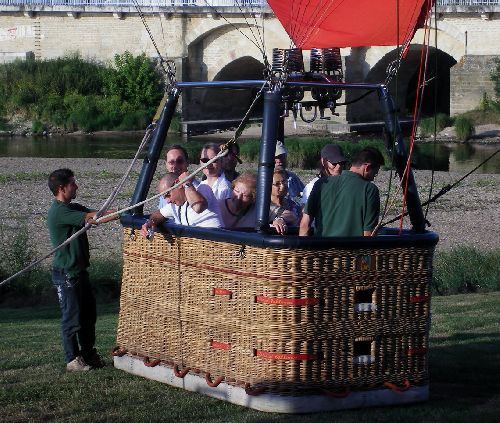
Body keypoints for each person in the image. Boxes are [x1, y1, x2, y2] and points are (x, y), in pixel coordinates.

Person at [47, 168, 116, 371]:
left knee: (88, 316)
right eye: (72, 183)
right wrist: (110, 215)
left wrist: (123, 213)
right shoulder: (60, 211)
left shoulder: (72, 207)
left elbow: (97, 216)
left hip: (79, 273)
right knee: (72, 318)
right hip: (67, 275)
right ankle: (72, 360)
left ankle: (87, 354)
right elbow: (91, 218)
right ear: (62, 188)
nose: (76, 186)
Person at [299, 147, 385, 237]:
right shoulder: (370, 190)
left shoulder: (320, 183)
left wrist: (303, 250)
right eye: (375, 173)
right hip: (350, 250)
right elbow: (368, 235)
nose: (374, 177)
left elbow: (304, 225)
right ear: (367, 167)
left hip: (321, 249)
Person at [141, 172, 221, 235]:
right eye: (164, 197)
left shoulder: (203, 189)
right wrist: (151, 222)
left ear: (178, 184)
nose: (167, 201)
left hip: (215, 244)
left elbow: (198, 207)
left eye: (168, 195)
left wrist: (186, 183)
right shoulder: (175, 205)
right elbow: (158, 214)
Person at [218, 172, 292, 235]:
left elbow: (291, 215)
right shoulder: (218, 206)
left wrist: (280, 219)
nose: (239, 197)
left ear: (253, 198)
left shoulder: (257, 209)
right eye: (236, 191)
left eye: (245, 195)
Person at [270, 169, 300, 234]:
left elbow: (292, 215)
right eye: (277, 184)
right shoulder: (263, 206)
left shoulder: (292, 204)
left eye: (284, 182)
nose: (283, 186)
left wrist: (281, 219)